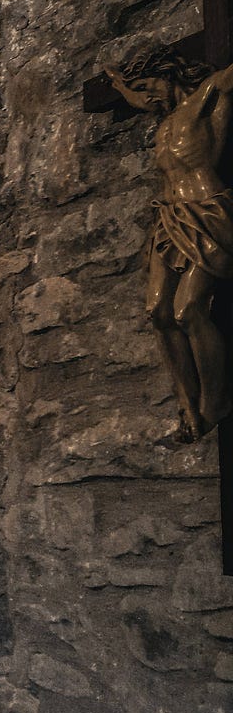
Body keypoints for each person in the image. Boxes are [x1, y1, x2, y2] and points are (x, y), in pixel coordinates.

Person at [108, 55, 233, 437]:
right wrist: (119, 86)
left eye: (149, 86)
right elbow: (135, 94)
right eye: (139, 91)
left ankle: (215, 403)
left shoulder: (208, 96)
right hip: (169, 218)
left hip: (207, 213)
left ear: (168, 75)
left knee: (187, 310)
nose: (145, 97)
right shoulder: (162, 125)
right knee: (157, 312)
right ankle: (187, 406)